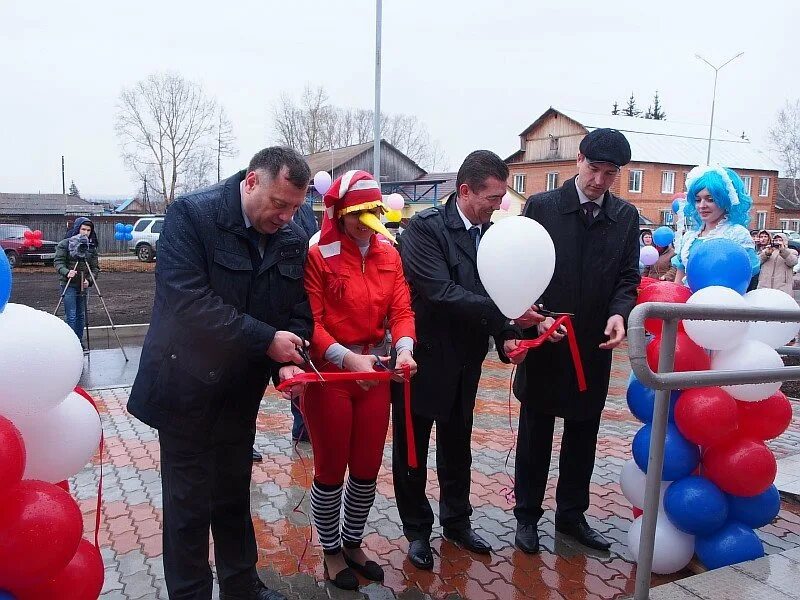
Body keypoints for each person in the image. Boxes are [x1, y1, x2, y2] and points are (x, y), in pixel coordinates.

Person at [127, 147, 314, 600]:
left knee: (232, 494)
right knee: (188, 506)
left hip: (238, 391)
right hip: (183, 387)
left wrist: (288, 359)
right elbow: (187, 303)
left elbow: (297, 308)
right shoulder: (193, 216)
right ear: (252, 182)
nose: (288, 217)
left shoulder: (292, 231)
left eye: (295, 206)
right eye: (279, 204)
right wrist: (267, 339)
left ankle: (240, 584)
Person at [392, 150, 543, 570]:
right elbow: (440, 292)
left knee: (458, 449)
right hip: (419, 360)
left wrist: (509, 337)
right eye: (492, 196)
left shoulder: (492, 236)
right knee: (412, 452)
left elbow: (500, 289)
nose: (498, 205)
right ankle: (418, 531)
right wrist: (508, 316)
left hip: (465, 362)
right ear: (464, 191)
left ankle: (456, 522)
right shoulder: (424, 231)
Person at [513, 128, 640, 554]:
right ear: (579, 160)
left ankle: (572, 516)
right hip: (548, 341)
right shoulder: (542, 206)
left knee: (583, 436)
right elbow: (521, 269)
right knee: (535, 436)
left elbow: (627, 277)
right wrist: (530, 322)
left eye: (610, 173)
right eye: (594, 168)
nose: (599, 180)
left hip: (593, 346)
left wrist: (619, 314)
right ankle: (527, 517)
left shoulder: (624, 217)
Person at [301, 170, 417, 590]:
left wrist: (404, 348)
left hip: (376, 372)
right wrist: (347, 358)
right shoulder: (319, 254)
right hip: (331, 373)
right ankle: (330, 549)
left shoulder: (389, 254)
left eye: (373, 214)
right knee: (331, 467)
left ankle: (352, 542)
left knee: (366, 467)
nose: (365, 225)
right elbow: (310, 323)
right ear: (342, 213)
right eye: (358, 216)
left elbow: (402, 310)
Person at [672, 166, 759, 286]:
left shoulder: (737, 234)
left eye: (710, 199)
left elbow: (747, 278)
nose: (702, 205)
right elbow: (678, 281)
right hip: (689, 303)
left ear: (725, 201)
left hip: (722, 302)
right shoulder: (689, 238)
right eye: (697, 200)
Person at [54, 217, 100, 345]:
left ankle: (79, 342)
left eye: (88, 230)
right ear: (77, 229)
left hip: (83, 285)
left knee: (81, 315)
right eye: (83, 229)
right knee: (71, 315)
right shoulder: (65, 244)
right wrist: (66, 272)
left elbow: (95, 268)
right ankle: (69, 344)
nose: (85, 232)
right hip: (68, 284)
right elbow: (58, 262)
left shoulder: (91, 247)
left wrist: (89, 280)